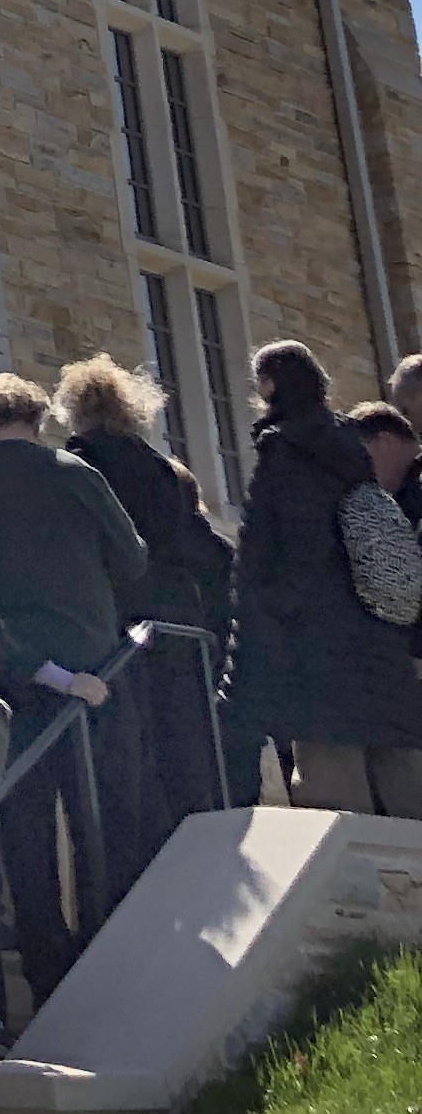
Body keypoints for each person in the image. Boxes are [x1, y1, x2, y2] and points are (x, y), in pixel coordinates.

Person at [0, 369, 147, 994]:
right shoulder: (75, 476)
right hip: (93, 669)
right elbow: (133, 559)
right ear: (38, 417)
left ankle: (47, 970)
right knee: (103, 818)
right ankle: (113, 953)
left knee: (23, 827)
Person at [221, 341, 422, 815]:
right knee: (406, 796)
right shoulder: (354, 453)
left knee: (335, 803)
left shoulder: (284, 452)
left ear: (267, 386)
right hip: (383, 650)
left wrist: (249, 657)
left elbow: (266, 561)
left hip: (319, 660)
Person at [55, 353, 234, 865]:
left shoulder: (78, 466)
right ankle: (199, 853)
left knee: (130, 754)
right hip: (176, 621)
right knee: (184, 747)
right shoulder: (159, 468)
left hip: (118, 623)